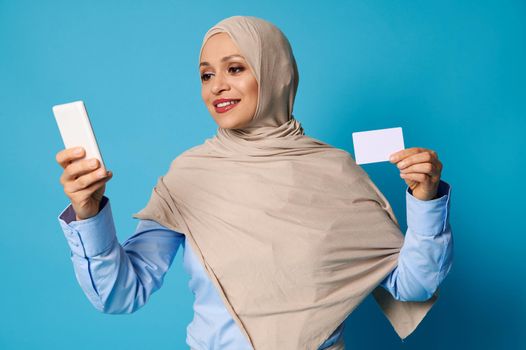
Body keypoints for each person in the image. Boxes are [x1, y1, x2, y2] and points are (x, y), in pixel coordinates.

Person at [55, 16, 453, 350]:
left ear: (275, 72)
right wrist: (88, 214)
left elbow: (412, 285)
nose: (217, 86)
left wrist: (426, 200)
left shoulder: (335, 171)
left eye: (235, 68)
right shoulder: (190, 176)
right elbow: (120, 293)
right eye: (206, 75)